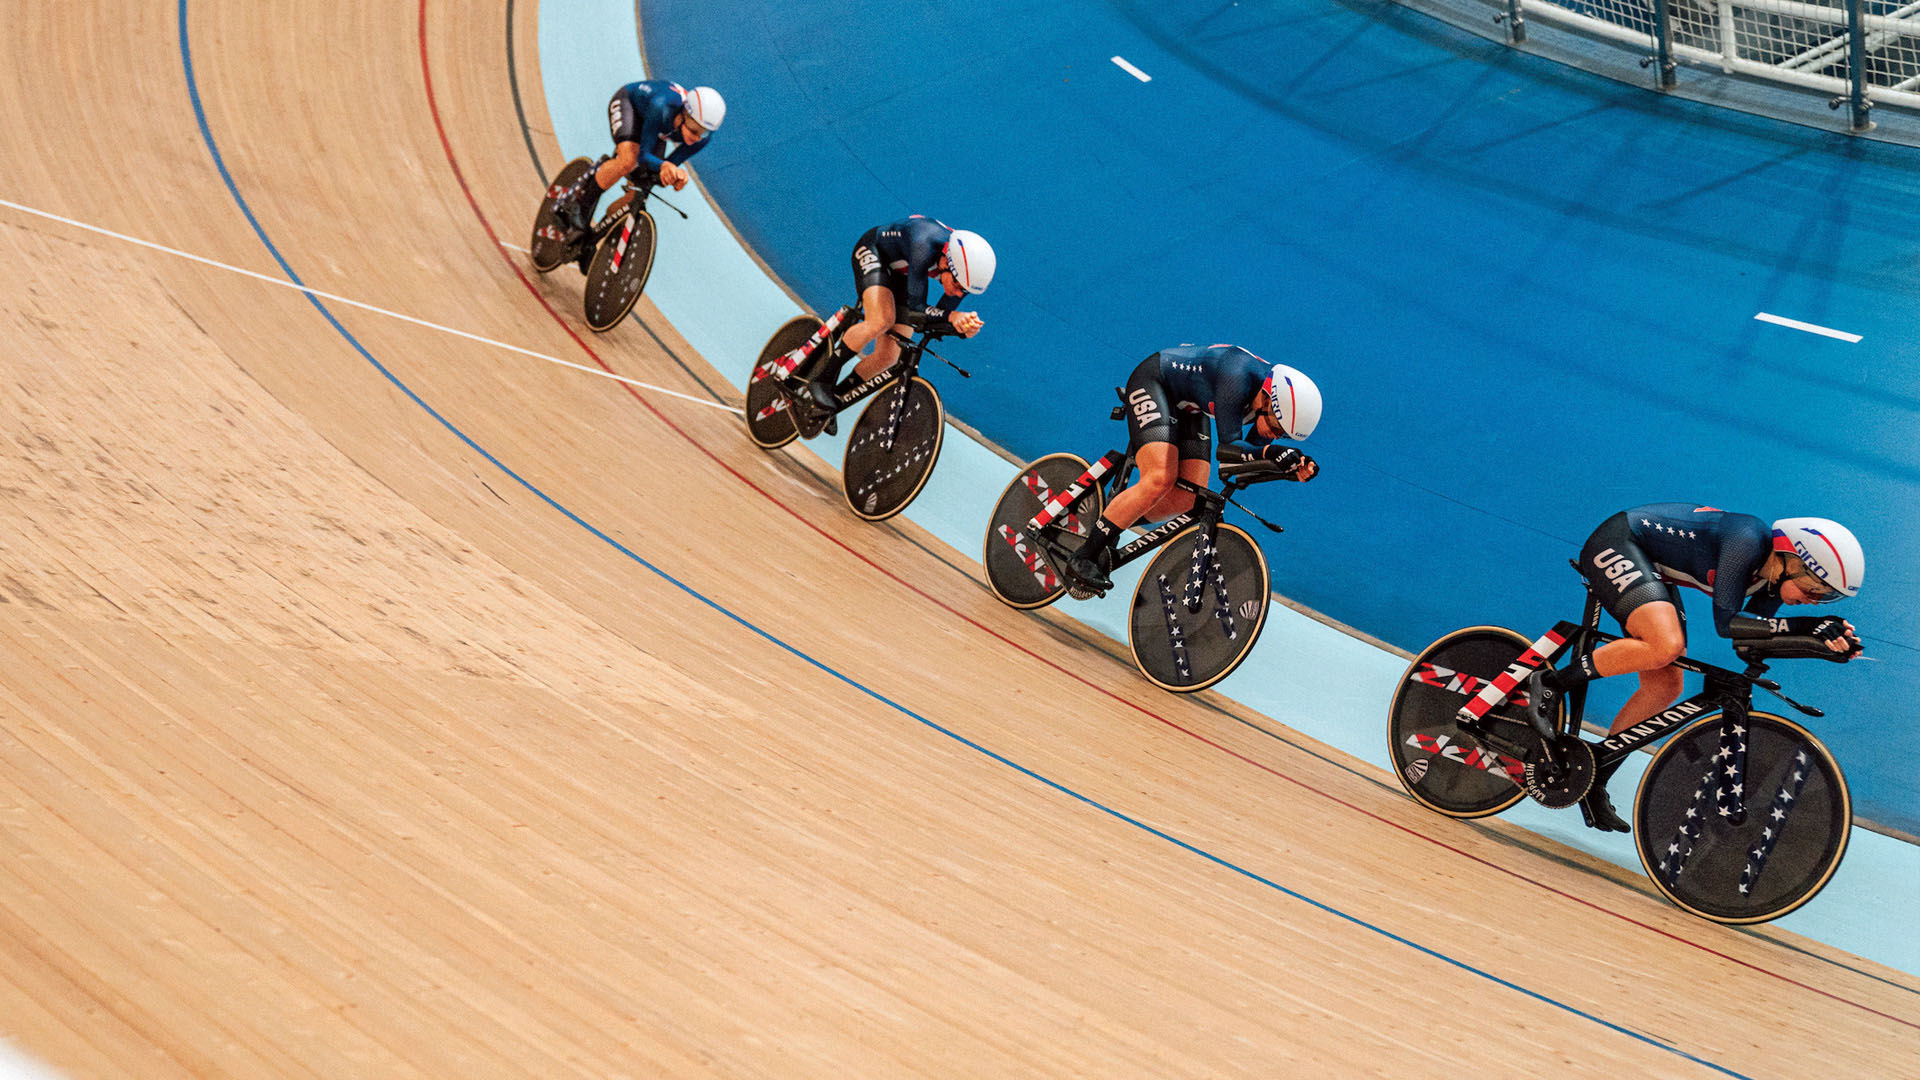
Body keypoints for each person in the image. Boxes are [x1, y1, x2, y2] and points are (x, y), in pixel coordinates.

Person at [1528, 504, 1864, 832]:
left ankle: (1596, 777)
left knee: (1665, 687)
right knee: (1665, 646)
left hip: (1653, 565)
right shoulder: (1747, 539)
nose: (1815, 601)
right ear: (1791, 559)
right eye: (1814, 589)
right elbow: (1727, 622)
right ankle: (1552, 682)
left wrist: (1819, 645)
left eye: (1826, 599)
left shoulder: (1772, 584)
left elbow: (1749, 643)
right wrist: (1809, 625)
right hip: (1620, 541)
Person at [1065, 345, 1321, 593]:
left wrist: (1287, 470)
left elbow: (1241, 466)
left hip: (1190, 404)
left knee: (1187, 499)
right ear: (1268, 399)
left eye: (1283, 436)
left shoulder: (1266, 404)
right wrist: (1270, 454)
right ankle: (1084, 555)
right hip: (1155, 381)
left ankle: (1111, 520)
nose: (1275, 437)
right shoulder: (1236, 376)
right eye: (1277, 429)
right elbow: (1229, 453)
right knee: (1159, 479)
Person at [786, 215, 991, 436]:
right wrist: (952, 318)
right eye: (958, 286)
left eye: (966, 292)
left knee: (889, 355)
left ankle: (835, 397)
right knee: (880, 320)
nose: (959, 294)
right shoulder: (925, 244)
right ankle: (821, 380)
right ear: (945, 262)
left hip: (901, 271)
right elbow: (918, 309)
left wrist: (962, 329)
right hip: (874, 251)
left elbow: (935, 319)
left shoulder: (960, 274)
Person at [552, 80, 725, 242]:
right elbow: (644, 156)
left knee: (641, 190)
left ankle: (595, 238)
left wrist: (673, 177)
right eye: (695, 130)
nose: (697, 137)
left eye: (705, 132)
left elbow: (666, 166)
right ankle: (577, 206)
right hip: (630, 104)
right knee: (629, 160)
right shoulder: (662, 106)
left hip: (657, 127)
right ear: (684, 114)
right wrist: (664, 166)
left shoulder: (702, 139)